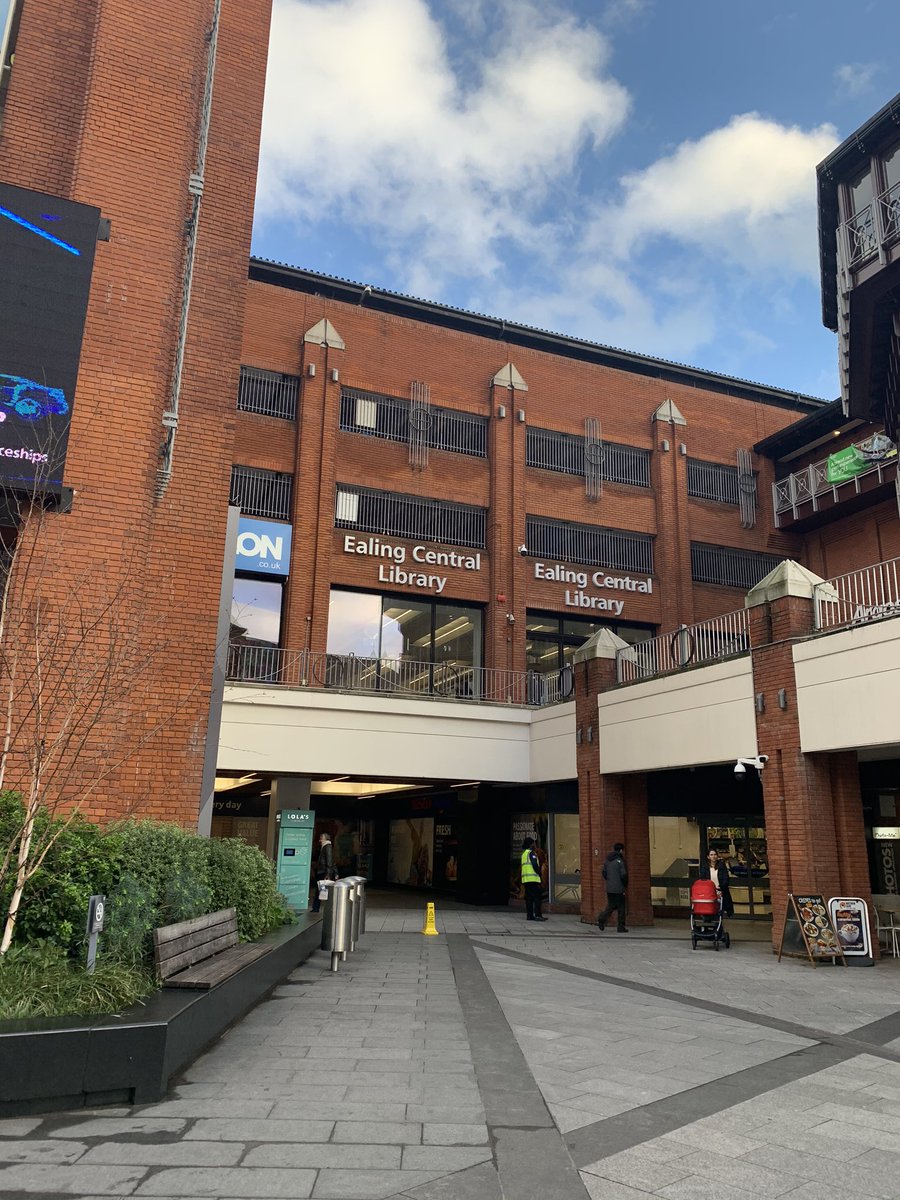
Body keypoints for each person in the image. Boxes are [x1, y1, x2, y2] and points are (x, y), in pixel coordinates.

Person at [597, 842, 628, 932]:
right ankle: (621, 926)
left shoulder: (607, 860)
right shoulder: (620, 861)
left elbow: (604, 873)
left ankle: (602, 919)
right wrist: (624, 884)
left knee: (611, 905)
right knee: (621, 907)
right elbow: (623, 875)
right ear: (621, 850)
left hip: (610, 888)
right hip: (619, 888)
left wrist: (610, 881)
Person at [699, 848, 734, 917]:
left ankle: (719, 923)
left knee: (720, 908)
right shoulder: (705, 867)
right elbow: (703, 879)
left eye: (715, 854)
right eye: (711, 855)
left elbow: (726, 878)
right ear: (708, 857)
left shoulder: (721, 865)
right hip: (708, 891)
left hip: (720, 890)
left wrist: (721, 886)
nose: (713, 856)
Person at [520, 837, 547, 922]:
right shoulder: (532, 853)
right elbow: (535, 865)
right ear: (530, 844)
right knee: (537, 897)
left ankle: (530, 915)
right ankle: (538, 915)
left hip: (526, 880)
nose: (534, 845)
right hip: (533, 879)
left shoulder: (524, 854)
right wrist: (539, 873)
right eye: (533, 843)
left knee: (529, 899)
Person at [311, 832, 336, 913]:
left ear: (325, 838)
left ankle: (316, 908)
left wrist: (328, 874)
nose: (320, 840)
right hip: (323, 872)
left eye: (321, 838)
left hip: (323, 872)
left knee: (321, 891)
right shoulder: (325, 846)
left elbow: (329, 861)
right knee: (321, 891)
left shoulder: (327, 847)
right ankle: (316, 908)